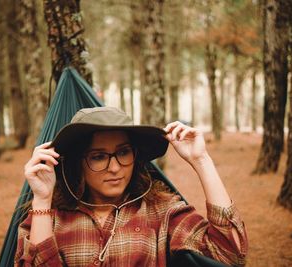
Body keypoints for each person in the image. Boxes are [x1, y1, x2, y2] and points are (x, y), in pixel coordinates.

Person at [14, 107, 247, 266]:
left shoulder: (161, 212)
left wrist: (201, 161)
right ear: (78, 162)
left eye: (123, 152)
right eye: (98, 156)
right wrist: (42, 200)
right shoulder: (48, 217)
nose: (115, 167)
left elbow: (229, 255)